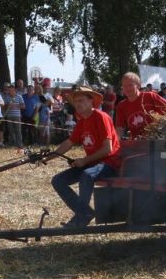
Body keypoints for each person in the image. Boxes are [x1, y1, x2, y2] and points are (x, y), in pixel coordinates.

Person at [46, 86, 121, 229]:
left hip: (110, 164)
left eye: (81, 100)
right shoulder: (81, 121)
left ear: (91, 102)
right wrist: (49, 157)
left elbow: (108, 149)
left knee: (86, 175)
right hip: (93, 163)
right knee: (58, 180)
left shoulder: (101, 117)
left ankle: (82, 216)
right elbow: (69, 143)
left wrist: (84, 161)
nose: (78, 104)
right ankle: (85, 212)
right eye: (76, 101)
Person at [115, 72, 166, 139]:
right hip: (137, 142)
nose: (128, 89)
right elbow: (119, 128)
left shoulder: (150, 96)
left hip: (157, 140)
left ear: (138, 85)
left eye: (130, 85)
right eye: (125, 86)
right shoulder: (121, 106)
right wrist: (116, 141)